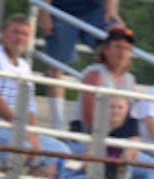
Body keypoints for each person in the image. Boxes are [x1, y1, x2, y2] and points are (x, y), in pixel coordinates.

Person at [0, 15, 72, 179]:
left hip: (12, 128)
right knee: (22, 146)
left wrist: (33, 133)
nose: (20, 38)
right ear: (3, 34)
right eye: (15, 32)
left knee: (61, 152)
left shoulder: (24, 67)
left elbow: (30, 108)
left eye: (24, 34)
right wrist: (23, 128)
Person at [38, 0, 124, 130]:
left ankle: (115, 121)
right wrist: (45, 12)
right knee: (56, 66)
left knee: (116, 44)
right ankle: (58, 124)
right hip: (60, 9)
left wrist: (111, 9)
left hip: (92, 9)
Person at [76, 25, 136, 134]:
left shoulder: (129, 79)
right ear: (106, 50)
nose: (122, 53)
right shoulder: (94, 74)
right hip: (93, 134)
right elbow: (89, 118)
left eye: (127, 49)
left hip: (119, 134)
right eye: (118, 47)